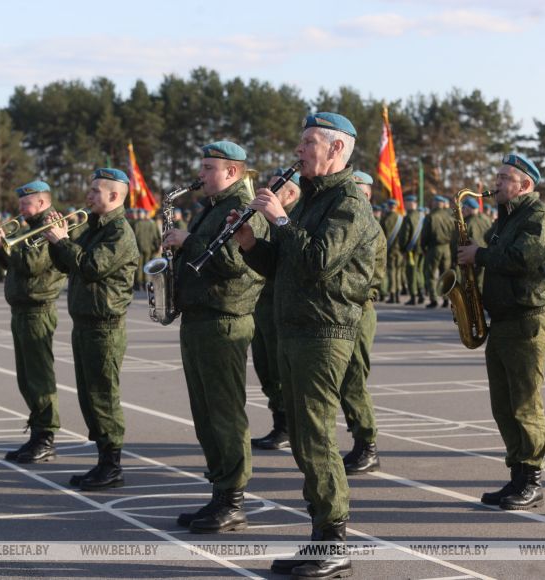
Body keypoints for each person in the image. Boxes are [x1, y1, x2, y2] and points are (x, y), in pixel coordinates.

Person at [236, 113, 378, 577]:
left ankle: (333, 541)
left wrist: (278, 217)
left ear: (337, 149)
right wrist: (250, 243)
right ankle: (320, 535)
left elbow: (318, 262)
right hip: (296, 328)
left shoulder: (349, 204)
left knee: (315, 435)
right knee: (301, 435)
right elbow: (283, 266)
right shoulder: (314, 199)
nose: (298, 151)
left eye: (309, 143)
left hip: (325, 332)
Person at [163, 141, 268, 534]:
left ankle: (232, 500)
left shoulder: (244, 209)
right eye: (202, 166)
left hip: (225, 320)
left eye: (209, 167)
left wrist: (187, 240)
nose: (201, 174)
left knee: (224, 413)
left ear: (232, 172)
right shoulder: (214, 208)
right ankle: (219, 491)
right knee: (205, 414)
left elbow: (231, 264)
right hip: (201, 317)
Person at [458, 153, 545, 511]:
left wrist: (479, 255)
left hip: (527, 320)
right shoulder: (505, 218)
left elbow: (522, 259)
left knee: (525, 404)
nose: (496, 183)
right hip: (502, 322)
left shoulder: (539, 217)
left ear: (525, 185)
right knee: (503, 406)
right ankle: (517, 474)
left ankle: (532, 480)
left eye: (504, 178)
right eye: (498, 177)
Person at [44, 168, 139, 491]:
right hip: (85, 324)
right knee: (88, 396)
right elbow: (67, 264)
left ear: (114, 196)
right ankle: (102, 459)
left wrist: (63, 241)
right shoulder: (93, 227)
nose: (88, 196)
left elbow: (91, 267)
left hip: (105, 327)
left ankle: (112, 465)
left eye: (95, 191)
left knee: (103, 396)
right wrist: (57, 243)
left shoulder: (119, 232)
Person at [0, 181, 67, 463]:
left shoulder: (50, 226)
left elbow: (34, 264)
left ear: (42, 203)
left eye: (25, 204)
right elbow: (17, 264)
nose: (19, 209)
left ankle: (46, 438)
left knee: (39, 377)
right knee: (27, 378)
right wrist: (0, 246)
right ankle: (38, 433)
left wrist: (3, 244)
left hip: (38, 310)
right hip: (22, 310)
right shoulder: (31, 226)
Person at [250, 166, 301, 451]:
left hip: (283, 305)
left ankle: (290, 426)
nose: (265, 192)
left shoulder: (293, 221)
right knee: (265, 366)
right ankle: (279, 423)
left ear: (291, 193)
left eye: (274, 188)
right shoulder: (264, 220)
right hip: (261, 302)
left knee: (283, 371)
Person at [340, 170, 385, 475]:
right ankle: (359, 440)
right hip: (343, 310)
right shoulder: (346, 224)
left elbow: (371, 278)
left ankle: (367, 444)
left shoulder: (370, 229)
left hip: (358, 309)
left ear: (366, 195)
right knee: (344, 381)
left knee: (353, 379)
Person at [450, 197, 491, 291]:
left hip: (472, 259)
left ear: (468, 209)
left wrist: (455, 257)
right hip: (486, 256)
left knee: (473, 288)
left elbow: (460, 242)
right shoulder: (486, 219)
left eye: (463, 208)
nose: (462, 211)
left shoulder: (467, 223)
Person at [422, 195, 455, 308]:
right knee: (444, 274)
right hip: (447, 248)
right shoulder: (450, 216)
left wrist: (423, 247)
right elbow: (454, 233)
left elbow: (425, 234)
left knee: (431, 274)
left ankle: (433, 299)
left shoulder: (431, 216)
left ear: (435, 203)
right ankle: (446, 299)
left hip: (434, 247)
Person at [399, 195, 425, 304]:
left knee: (411, 273)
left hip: (411, 250)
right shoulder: (422, 216)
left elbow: (404, 235)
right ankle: (421, 293)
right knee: (419, 271)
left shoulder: (408, 217)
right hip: (422, 248)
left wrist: (403, 248)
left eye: (406, 203)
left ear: (411, 204)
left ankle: (413, 296)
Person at [382, 199, 405, 304]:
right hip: (399, 249)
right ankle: (398, 294)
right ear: (396, 207)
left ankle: (392, 294)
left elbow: (381, 234)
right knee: (399, 272)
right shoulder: (401, 218)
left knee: (391, 272)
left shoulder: (385, 218)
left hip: (390, 249)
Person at [133, 208, 162, 290]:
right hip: (149, 248)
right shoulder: (152, 224)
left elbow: (134, 237)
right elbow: (157, 237)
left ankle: (140, 283)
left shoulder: (138, 223)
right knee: (146, 266)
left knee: (140, 266)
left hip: (141, 248)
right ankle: (145, 283)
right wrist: (158, 246)